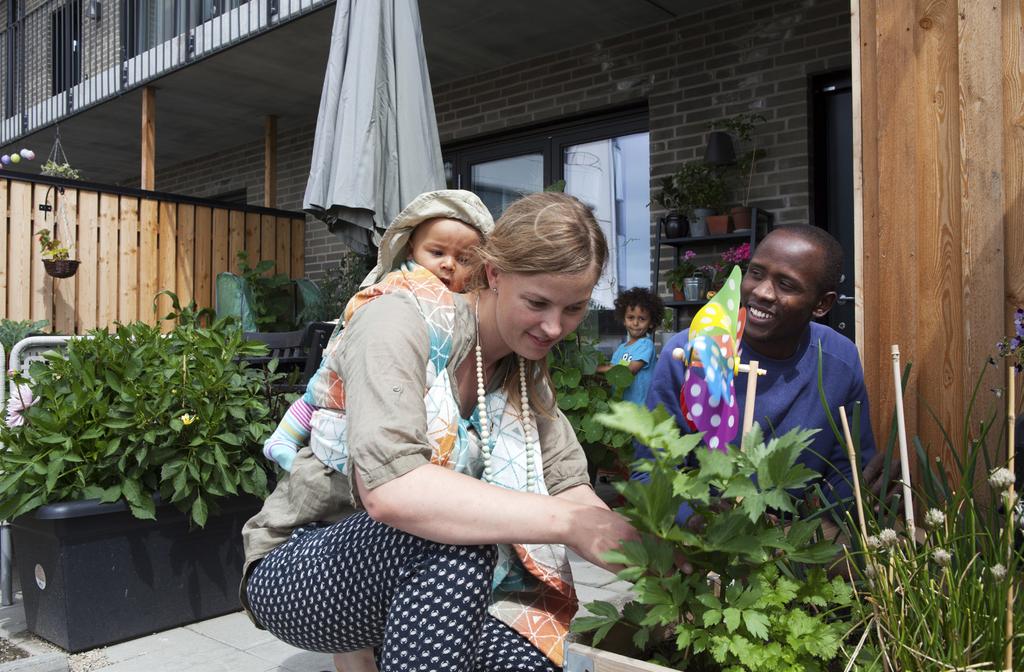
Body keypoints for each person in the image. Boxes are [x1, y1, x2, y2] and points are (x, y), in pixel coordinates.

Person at [241, 192, 639, 672]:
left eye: (574, 309)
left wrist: (666, 563)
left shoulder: (522, 369)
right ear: (494, 273)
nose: (554, 327)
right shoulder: (397, 318)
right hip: (305, 568)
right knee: (454, 540)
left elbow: (570, 488)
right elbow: (393, 492)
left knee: (532, 660)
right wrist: (566, 523)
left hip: (431, 580)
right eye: (537, 302)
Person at [644, 225, 876, 516]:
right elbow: (651, 471)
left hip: (796, 538)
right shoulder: (689, 353)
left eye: (786, 284)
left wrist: (831, 515)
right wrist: (695, 518)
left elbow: (848, 468)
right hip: (704, 544)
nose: (762, 292)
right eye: (756, 273)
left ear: (822, 304)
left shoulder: (839, 360)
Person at [262, 190, 494, 473]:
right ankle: (283, 437)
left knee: (328, 396)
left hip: (406, 379)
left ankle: (285, 439)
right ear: (411, 250)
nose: (448, 264)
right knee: (323, 391)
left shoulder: (467, 309)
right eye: (437, 252)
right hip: (367, 355)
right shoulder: (402, 283)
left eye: (464, 260)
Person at [597, 287, 664, 405]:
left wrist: (597, 369)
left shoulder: (645, 345)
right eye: (630, 317)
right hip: (622, 406)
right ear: (624, 319)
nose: (635, 323)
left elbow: (629, 370)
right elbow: (613, 374)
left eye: (642, 319)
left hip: (640, 407)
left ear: (651, 322)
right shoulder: (621, 348)